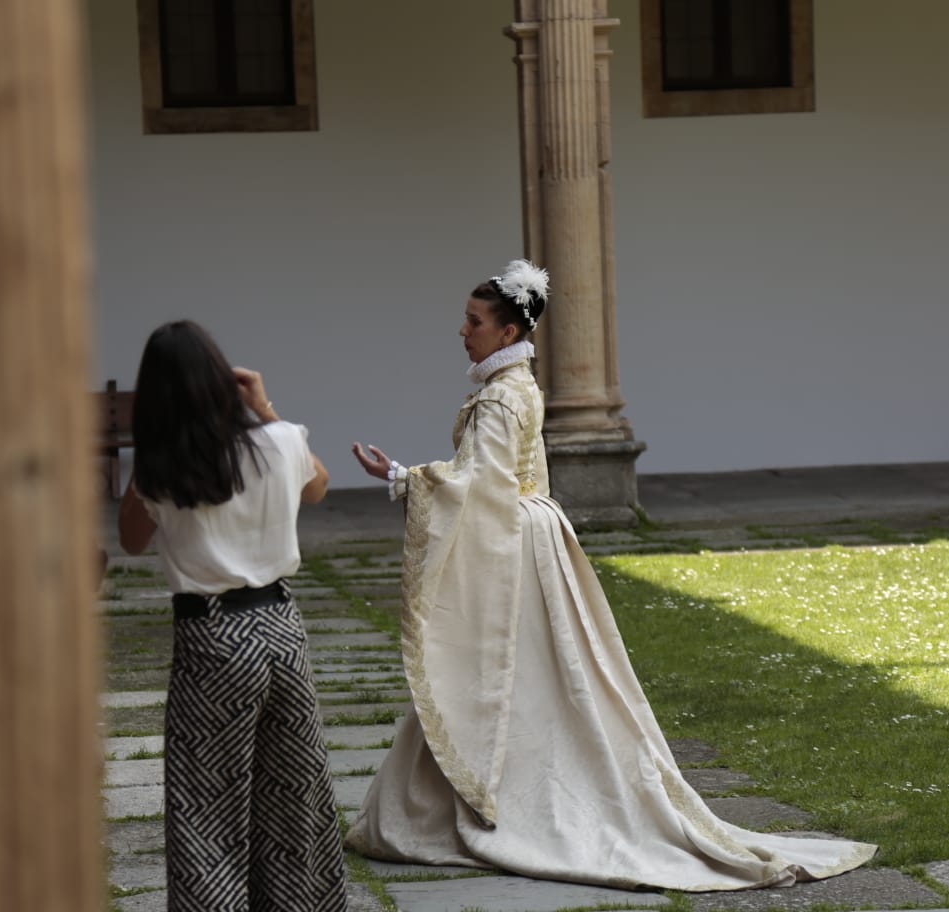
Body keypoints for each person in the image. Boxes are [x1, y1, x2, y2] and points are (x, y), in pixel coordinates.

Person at [345, 261, 877, 892]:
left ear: (508, 329)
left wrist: (402, 478)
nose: (462, 330)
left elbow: (478, 483)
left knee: (499, 670)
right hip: (531, 533)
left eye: (473, 320)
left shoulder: (499, 394)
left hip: (516, 540)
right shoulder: (519, 385)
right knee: (526, 673)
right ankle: (461, 799)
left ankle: (480, 805)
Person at [118, 320, 346, 912]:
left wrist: (154, 446)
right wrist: (266, 410)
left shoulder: (159, 470)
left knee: (205, 803)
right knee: (293, 791)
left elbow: (132, 539)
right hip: (279, 626)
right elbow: (318, 487)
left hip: (211, 634)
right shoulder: (278, 442)